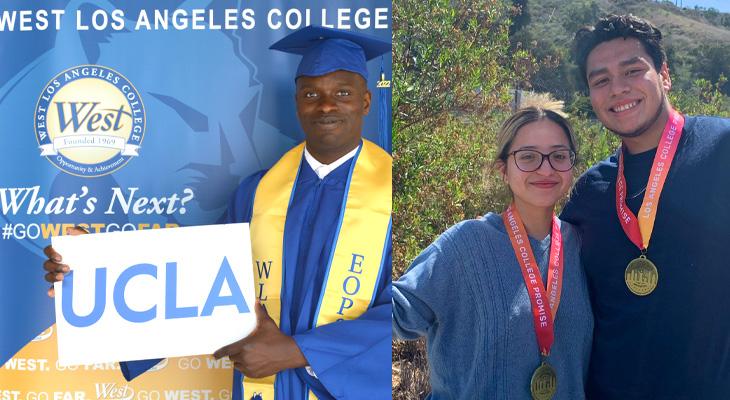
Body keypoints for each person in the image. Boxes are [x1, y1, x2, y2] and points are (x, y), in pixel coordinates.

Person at [43, 26, 392, 400]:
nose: (325, 106)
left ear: (366, 102)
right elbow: (198, 283)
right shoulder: (258, 193)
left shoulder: (393, 194)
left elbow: (405, 312)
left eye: (342, 93)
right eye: (311, 94)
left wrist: (296, 353)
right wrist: (97, 271)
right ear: (297, 103)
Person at [561, 14, 730, 399]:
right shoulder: (590, 190)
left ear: (664, 74)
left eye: (632, 71)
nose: (617, 89)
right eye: (600, 80)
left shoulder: (723, 149)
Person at [393, 102, 593, 399]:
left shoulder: (582, 245)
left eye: (559, 156)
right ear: (503, 170)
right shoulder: (464, 246)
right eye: (528, 157)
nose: (546, 168)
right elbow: (393, 314)